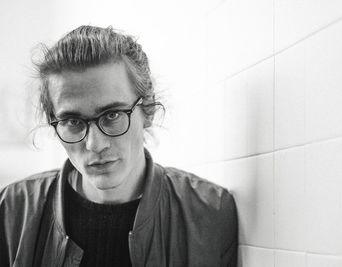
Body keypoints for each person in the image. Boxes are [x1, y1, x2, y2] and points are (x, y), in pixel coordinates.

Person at [0, 25, 238, 267]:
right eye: (73, 121)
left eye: (112, 115)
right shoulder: (13, 209)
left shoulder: (209, 212)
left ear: (149, 110)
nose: (94, 144)